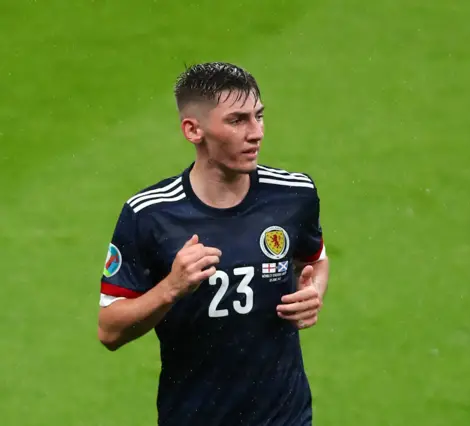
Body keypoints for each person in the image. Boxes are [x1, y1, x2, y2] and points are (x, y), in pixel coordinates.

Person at [97, 62, 330, 426]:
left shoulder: (294, 195)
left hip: (285, 417)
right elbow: (109, 330)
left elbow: (315, 259)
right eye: (238, 121)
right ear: (193, 130)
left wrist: (313, 292)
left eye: (259, 116)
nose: (256, 133)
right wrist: (171, 288)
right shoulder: (150, 214)